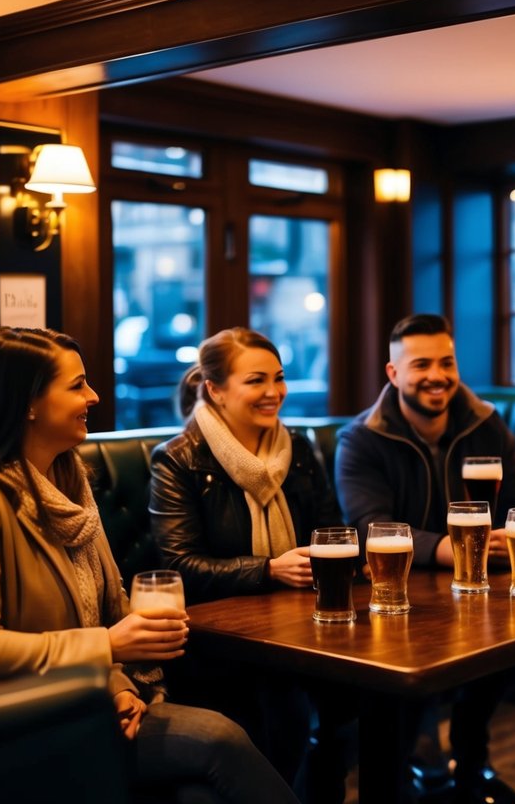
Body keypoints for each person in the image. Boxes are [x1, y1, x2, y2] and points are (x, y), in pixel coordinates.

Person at [0, 326, 297, 804]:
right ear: (27, 402)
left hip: (88, 701)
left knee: (201, 794)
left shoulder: (70, 481)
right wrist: (111, 647)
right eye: (76, 386)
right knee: (220, 736)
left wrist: (120, 688)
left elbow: (92, 616)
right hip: (18, 724)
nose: (93, 396)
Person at [335, 313, 515, 804]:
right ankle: (411, 768)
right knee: (410, 673)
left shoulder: (486, 425)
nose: (437, 375)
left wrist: (510, 535)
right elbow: (369, 525)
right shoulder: (361, 438)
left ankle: (470, 758)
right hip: (399, 594)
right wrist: (447, 548)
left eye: (446, 362)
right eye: (421, 364)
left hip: (479, 587)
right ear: (393, 374)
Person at [149, 327, 352, 803]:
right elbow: (179, 566)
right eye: (255, 381)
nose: (273, 392)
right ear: (215, 390)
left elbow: (334, 531)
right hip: (220, 643)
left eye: (278, 379)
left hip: (303, 627)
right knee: (283, 712)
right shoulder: (178, 460)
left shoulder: (298, 450)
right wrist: (269, 570)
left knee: (363, 707)